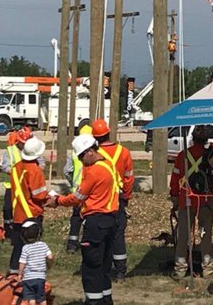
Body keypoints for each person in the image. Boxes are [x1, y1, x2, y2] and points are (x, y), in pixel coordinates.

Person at [52, 134, 120, 304]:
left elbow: (77, 198)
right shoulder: (108, 163)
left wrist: (57, 201)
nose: (81, 161)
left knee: (91, 268)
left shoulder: (94, 171)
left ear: (90, 151)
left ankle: (93, 300)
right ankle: (106, 299)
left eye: (82, 156)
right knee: (104, 266)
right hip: (110, 220)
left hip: (95, 222)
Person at [169, 125, 213, 277]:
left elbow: (175, 179)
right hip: (205, 201)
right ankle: (207, 267)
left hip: (186, 199)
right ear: (206, 140)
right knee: (205, 234)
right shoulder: (211, 155)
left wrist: (174, 197)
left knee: (183, 235)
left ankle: (180, 268)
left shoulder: (183, 155)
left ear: (193, 139)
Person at [92, 118, 134, 281]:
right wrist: (126, 197)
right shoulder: (123, 152)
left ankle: (104, 268)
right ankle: (121, 271)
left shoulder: (93, 154)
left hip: (101, 200)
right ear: (109, 133)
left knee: (102, 235)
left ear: (95, 137)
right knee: (118, 235)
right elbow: (129, 177)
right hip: (118, 198)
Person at [8, 137, 50, 276]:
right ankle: (32, 273)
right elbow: (39, 195)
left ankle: (14, 271)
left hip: (18, 211)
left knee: (19, 246)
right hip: (31, 212)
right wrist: (49, 197)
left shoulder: (16, 167)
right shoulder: (34, 170)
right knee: (33, 246)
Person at [63, 121, 93, 253]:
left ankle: (72, 244)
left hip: (78, 190)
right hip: (91, 191)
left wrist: (72, 184)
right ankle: (88, 243)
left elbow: (66, 170)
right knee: (90, 217)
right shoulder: (95, 153)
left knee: (76, 218)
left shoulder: (75, 153)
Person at [0, 127, 31, 237]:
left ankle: (25, 229)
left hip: (26, 186)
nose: (24, 146)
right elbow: (5, 166)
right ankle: (8, 229)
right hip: (12, 186)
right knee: (8, 209)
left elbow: (40, 163)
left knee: (25, 208)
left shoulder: (31, 150)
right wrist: (15, 172)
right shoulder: (10, 151)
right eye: (23, 143)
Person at [16, 219, 53, 305]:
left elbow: (22, 263)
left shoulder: (25, 248)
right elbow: (50, 257)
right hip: (40, 277)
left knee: (31, 298)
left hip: (28, 278)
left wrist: (20, 274)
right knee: (42, 297)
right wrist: (49, 265)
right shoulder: (43, 245)